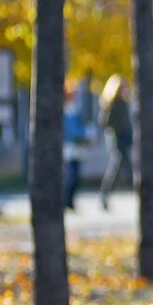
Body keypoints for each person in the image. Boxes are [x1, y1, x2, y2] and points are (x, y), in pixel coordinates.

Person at [97, 74, 134, 211]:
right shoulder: (112, 104)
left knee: (120, 168)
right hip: (117, 140)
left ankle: (106, 196)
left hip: (125, 139)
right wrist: (117, 131)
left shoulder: (124, 103)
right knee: (118, 167)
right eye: (122, 88)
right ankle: (104, 196)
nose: (125, 90)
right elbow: (104, 122)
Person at [61, 84, 90, 212]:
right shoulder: (66, 111)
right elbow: (70, 131)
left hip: (76, 147)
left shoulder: (74, 110)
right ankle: (66, 200)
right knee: (71, 175)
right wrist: (84, 133)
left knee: (75, 175)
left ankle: (70, 201)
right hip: (68, 147)